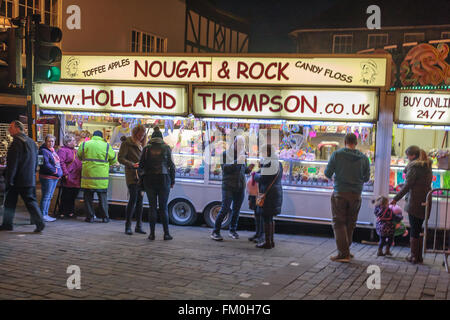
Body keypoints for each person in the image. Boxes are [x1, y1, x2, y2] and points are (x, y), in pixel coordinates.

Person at [325, 133, 370, 263]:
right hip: (356, 194)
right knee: (350, 223)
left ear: (345, 142)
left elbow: (328, 173)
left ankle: (343, 253)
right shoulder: (364, 158)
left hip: (340, 193)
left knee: (339, 223)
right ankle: (346, 251)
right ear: (356, 143)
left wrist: (335, 176)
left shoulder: (337, 154)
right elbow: (366, 178)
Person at [0, 121, 45, 233]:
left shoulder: (17, 142)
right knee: (12, 201)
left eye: (11, 127)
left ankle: (40, 222)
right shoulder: (30, 142)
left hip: (18, 179)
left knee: (28, 201)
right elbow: (35, 162)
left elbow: (13, 163)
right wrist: (33, 174)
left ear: (17, 128)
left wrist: (9, 179)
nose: (9, 130)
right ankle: (7, 223)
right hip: (28, 177)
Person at [391, 146, 433, 264]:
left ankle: (414, 256)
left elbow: (408, 185)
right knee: (418, 228)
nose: (407, 158)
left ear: (412, 156)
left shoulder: (414, 167)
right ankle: (418, 257)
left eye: (407, 155)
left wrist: (395, 198)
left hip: (415, 201)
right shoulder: (427, 166)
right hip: (425, 200)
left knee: (414, 228)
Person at [211, 136, 254, 241]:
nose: (240, 147)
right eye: (238, 144)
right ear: (234, 143)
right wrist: (237, 161)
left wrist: (249, 169)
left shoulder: (242, 155)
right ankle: (215, 231)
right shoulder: (225, 154)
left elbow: (243, 171)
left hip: (240, 185)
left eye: (242, 145)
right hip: (228, 186)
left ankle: (232, 230)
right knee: (225, 209)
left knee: (236, 210)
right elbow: (225, 169)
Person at [139, 126, 175, 240]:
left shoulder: (146, 148)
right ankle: (166, 234)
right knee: (163, 207)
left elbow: (140, 166)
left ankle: (152, 234)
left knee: (152, 207)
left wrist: (142, 177)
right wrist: (172, 180)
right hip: (164, 179)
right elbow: (171, 166)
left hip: (149, 179)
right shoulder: (166, 147)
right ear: (161, 138)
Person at [77, 130, 117, 223]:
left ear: (92, 136)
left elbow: (79, 156)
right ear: (102, 136)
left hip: (88, 176)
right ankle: (105, 217)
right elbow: (114, 160)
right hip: (101, 177)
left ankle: (90, 217)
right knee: (102, 198)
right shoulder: (106, 145)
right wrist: (107, 163)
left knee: (87, 198)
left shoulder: (84, 144)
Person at [118, 125, 147, 235]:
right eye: (140, 135)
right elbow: (120, 158)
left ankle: (138, 226)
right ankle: (128, 226)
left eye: (143, 135)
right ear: (135, 133)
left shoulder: (142, 144)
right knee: (133, 199)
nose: (141, 137)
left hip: (141, 175)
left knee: (140, 201)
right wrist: (131, 164)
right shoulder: (127, 143)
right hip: (132, 175)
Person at [253, 144, 283, 249]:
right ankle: (271, 241)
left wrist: (255, 175)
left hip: (269, 194)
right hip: (275, 192)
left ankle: (267, 242)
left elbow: (262, 178)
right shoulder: (278, 163)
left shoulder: (269, 163)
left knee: (266, 217)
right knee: (270, 218)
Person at [38, 134, 63, 222]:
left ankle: (45, 214)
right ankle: (42, 215)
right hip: (47, 177)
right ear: (45, 142)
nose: (51, 143)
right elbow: (44, 164)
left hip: (54, 177)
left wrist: (58, 173)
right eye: (49, 141)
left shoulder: (52, 151)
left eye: (52, 141)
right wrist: (56, 172)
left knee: (49, 196)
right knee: (46, 196)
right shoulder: (43, 151)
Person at [57, 134, 82, 219]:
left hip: (76, 176)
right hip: (69, 176)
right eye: (73, 140)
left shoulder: (75, 151)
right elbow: (61, 162)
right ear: (67, 142)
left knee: (73, 194)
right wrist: (65, 173)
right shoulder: (63, 150)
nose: (75, 142)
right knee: (66, 194)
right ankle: (62, 212)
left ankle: (70, 211)